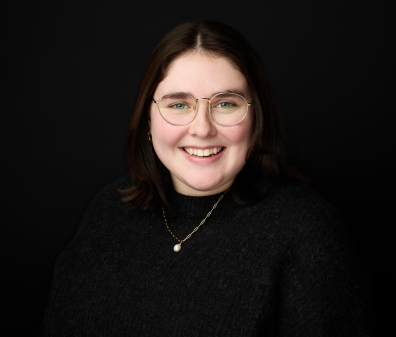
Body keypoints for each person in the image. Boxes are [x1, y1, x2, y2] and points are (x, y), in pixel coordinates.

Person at [38, 20, 374, 336]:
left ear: (256, 118)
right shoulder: (107, 211)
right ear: (148, 121)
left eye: (226, 103)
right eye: (179, 105)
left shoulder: (307, 233)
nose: (202, 128)